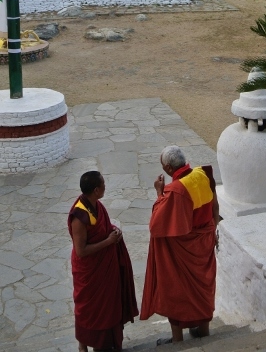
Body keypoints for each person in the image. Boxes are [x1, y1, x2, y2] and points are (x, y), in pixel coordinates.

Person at [140, 146, 220, 345]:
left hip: (184, 249)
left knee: (175, 288)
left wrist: (160, 193)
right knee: (203, 288)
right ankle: (203, 330)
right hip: (205, 241)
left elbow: (157, 224)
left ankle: (177, 339)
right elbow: (215, 208)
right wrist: (213, 230)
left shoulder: (176, 190)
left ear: (168, 168)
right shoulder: (203, 175)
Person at [68, 171, 138, 352]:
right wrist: (108, 241)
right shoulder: (79, 216)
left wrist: (113, 231)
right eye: (104, 185)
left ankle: (103, 344)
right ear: (96, 190)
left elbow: (103, 227)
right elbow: (81, 251)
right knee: (88, 308)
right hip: (90, 271)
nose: (106, 187)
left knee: (106, 306)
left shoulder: (95, 205)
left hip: (103, 267)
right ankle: (84, 347)